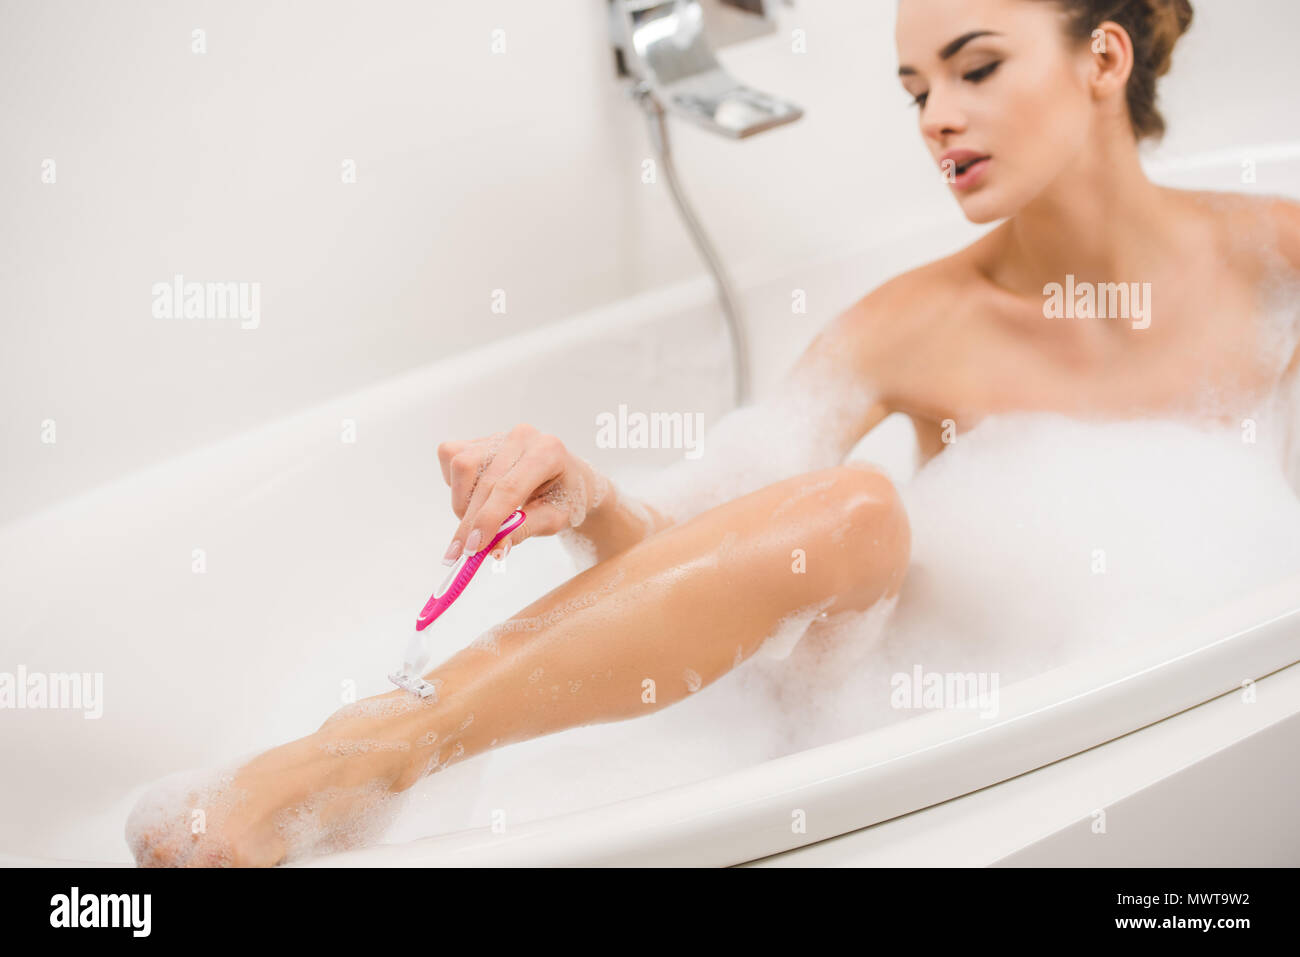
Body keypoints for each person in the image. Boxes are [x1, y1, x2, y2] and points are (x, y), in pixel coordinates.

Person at [129, 0, 1300, 866]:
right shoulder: (910, 326)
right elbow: (707, 547)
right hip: (876, 691)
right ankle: (362, 755)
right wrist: (587, 496)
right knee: (854, 513)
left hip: (1086, 686)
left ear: (1103, 57)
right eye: (912, 91)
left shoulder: (1280, 258)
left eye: (974, 69)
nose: (937, 119)